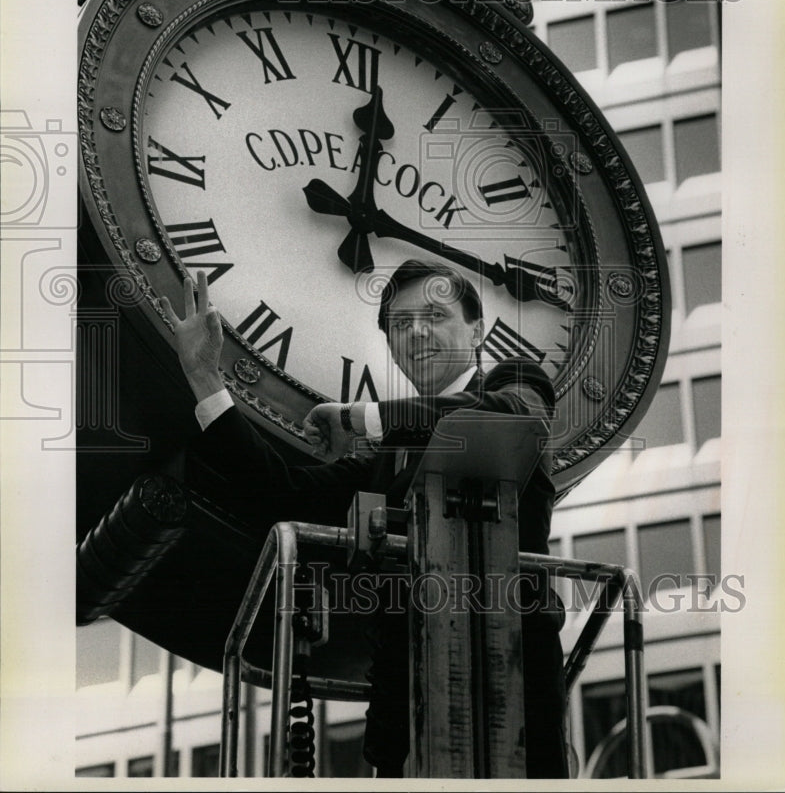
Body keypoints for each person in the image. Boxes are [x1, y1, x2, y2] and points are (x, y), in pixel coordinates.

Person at [161, 259, 568, 778]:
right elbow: (279, 491)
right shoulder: (388, 453)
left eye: (435, 315)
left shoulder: (516, 382)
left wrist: (360, 416)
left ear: (476, 328)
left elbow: (508, 419)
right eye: (400, 324)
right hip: (406, 703)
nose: (417, 332)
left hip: (512, 685)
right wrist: (203, 376)